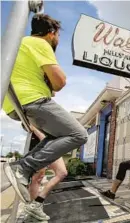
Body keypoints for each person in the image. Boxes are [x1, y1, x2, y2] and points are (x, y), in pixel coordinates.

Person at [2, 14, 88, 206]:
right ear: (52, 33)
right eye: (58, 35)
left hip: (14, 105)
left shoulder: (21, 44)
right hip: (32, 100)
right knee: (79, 134)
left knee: (56, 136)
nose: (57, 39)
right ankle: (23, 168)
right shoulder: (40, 43)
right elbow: (60, 82)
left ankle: (20, 167)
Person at [24, 125, 67, 221]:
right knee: (38, 177)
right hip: (41, 141)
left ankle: (35, 206)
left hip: (52, 142)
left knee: (62, 173)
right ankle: (34, 210)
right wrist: (35, 129)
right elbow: (27, 125)